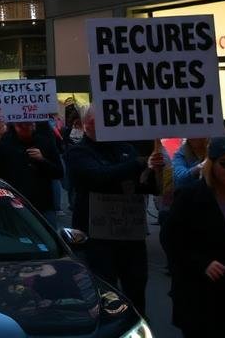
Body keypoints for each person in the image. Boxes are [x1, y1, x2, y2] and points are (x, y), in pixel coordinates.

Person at [64, 105, 163, 317]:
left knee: (136, 288)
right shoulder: (78, 151)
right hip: (97, 237)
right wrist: (136, 165)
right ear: (87, 124)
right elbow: (99, 177)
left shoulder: (125, 148)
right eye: (98, 120)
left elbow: (144, 186)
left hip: (129, 234)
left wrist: (154, 170)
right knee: (105, 292)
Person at [164, 136, 225, 337]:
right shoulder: (190, 197)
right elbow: (172, 240)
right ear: (211, 165)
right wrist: (202, 263)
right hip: (201, 296)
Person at [0, 120, 63, 226]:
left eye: (28, 124)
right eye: (20, 124)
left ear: (34, 124)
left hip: (43, 205)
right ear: (14, 125)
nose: (24, 127)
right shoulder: (5, 143)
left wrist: (42, 160)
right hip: (15, 205)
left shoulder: (45, 142)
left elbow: (59, 173)